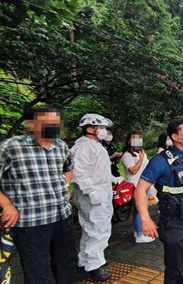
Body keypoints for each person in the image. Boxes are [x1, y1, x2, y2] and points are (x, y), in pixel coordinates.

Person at [0, 106, 78, 283]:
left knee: (66, 265)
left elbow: (68, 168)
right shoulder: (11, 147)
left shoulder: (60, 145)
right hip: (31, 222)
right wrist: (6, 205)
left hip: (62, 217)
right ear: (31, 124)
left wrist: (65, 187)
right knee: (38, 271)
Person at [135, 118, 183, 284]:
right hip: (175, 223)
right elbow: (139, 190)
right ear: (175, 136)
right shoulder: (161, 161)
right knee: (175, 270)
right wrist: (145, 219)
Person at [70, 113, 123, 281]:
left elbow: (97, 169)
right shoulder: (85, 147)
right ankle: (94, 265)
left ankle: (84, 260)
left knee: (90, 228)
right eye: (102, 128)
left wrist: (112, 178)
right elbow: (79, 171)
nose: (105, 131)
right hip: (92, 193)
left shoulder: (94, 145)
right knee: (99, 230)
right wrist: (91, 191)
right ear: (90, 129)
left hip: (99, 190)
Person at [121, 131, 154, 243]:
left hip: (144, 184)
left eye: (139, 138)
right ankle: (140, 234)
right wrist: (141, 158)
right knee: (140, 210)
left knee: (142, 209)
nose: (137, 141)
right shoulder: (127, 155)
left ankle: (138, 231)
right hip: (135, 186)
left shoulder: (141, 153)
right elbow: (133, 170)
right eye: (134, 138)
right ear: (129, 141)